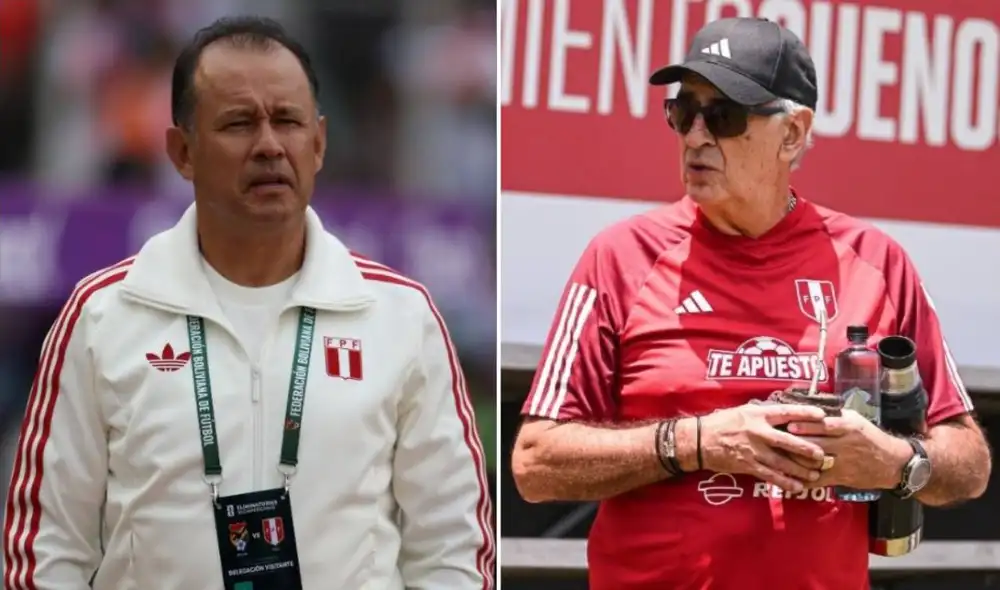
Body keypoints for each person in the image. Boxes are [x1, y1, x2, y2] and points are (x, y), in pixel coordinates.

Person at [3, 17, 494, 590]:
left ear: (319, 142)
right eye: (238, 123)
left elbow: (452, 549)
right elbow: (46, 548)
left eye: (287, 120)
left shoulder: (401, 317)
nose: (268, 145)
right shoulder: (102, 315)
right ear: (182, 152)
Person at [511, 17, 990, 590]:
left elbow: (970, 463)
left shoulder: (877, 262)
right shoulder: (620, 257)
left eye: (723, 116)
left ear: (792, 133)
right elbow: (534, 464)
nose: (694, 137)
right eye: (682, 112)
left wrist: (891, 462)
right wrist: (694, 442)